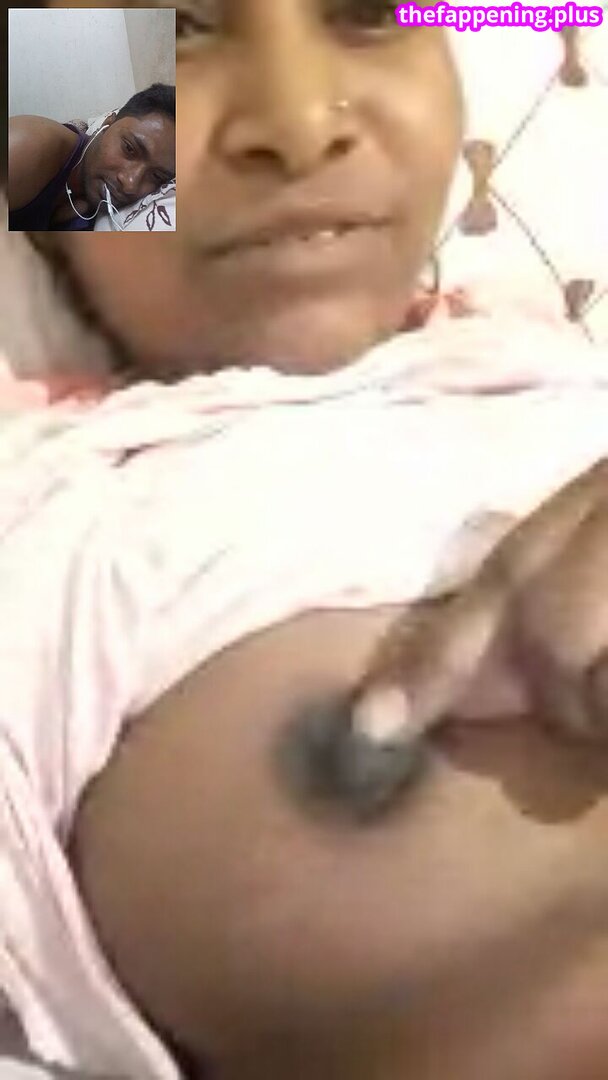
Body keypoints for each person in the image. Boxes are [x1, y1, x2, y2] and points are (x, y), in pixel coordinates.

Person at [1, 4, 608, 1080]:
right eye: (172, 31)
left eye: (369, 14)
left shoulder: (550, 375)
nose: (298, 123)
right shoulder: (56, 517)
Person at [7, 83, 175, 231]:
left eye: (156, 176)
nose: (130, 184)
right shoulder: (25, 146)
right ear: (107, 124)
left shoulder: (89, 208)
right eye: (129, 149)